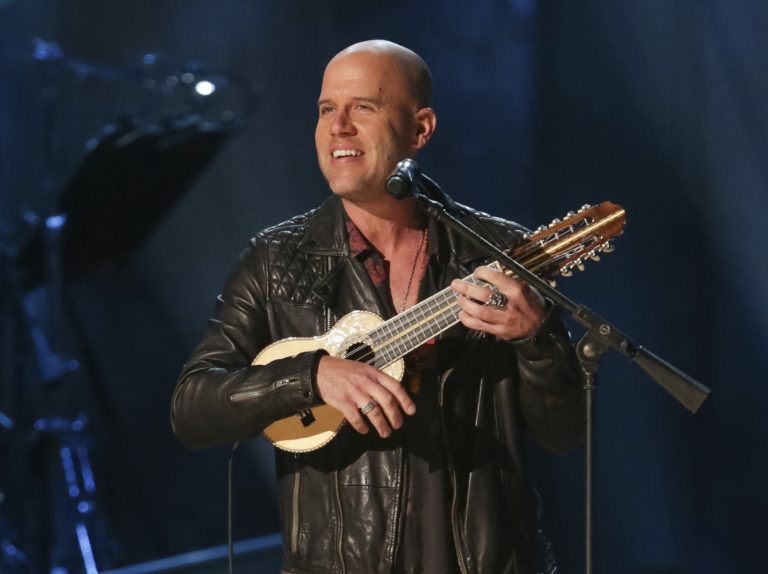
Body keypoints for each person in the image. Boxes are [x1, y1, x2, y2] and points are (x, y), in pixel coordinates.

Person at [171, 39, 584, 574]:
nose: (337, 126)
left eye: (362, 107)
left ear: (421, 129)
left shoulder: (499, 255)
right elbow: (191, 407)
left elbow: (565, 433)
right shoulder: (276, 261)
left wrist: (538, 339)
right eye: (326, 110)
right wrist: (312, 376)